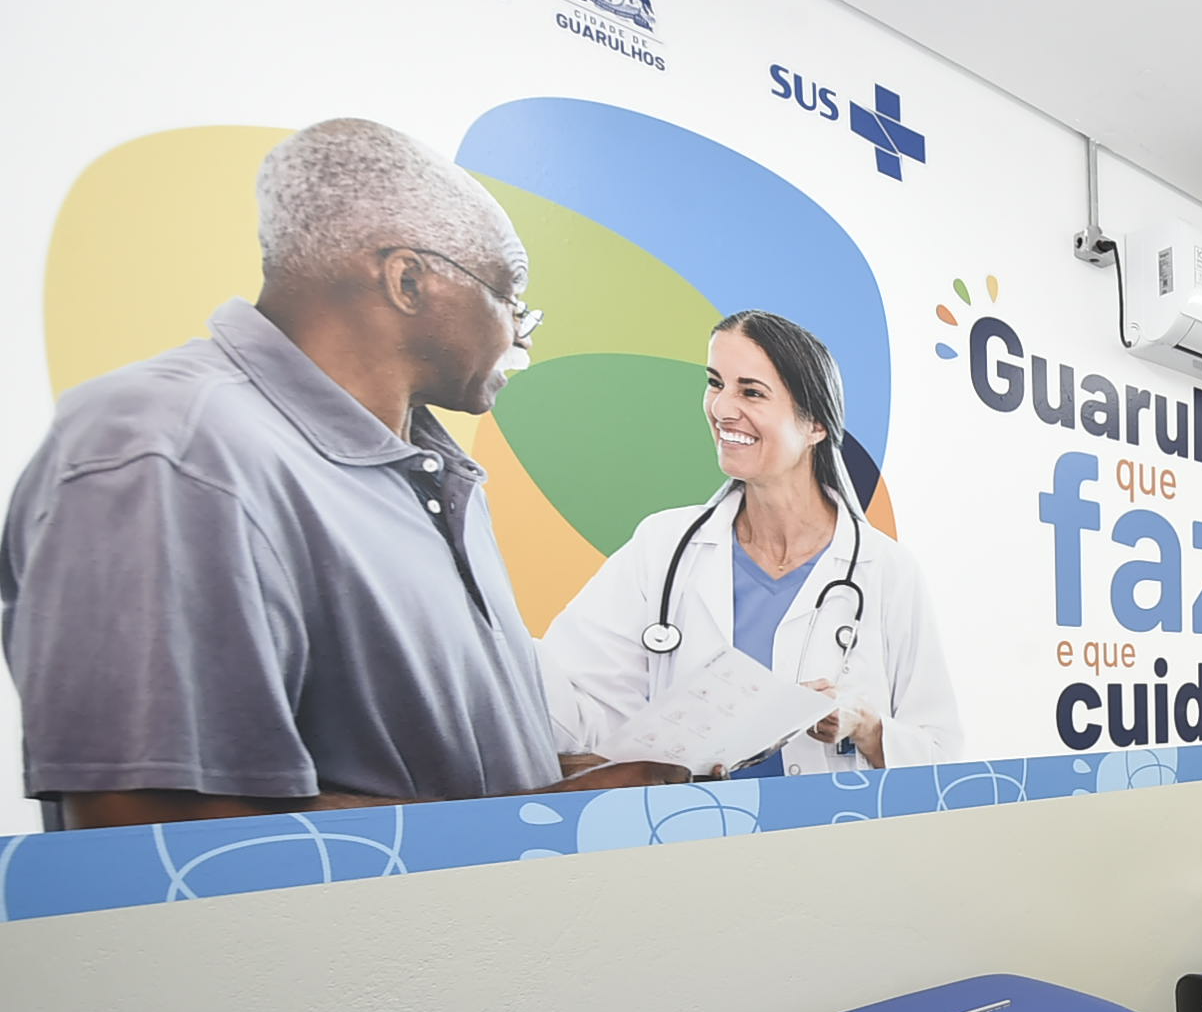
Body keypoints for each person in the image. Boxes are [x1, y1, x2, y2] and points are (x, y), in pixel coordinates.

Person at [0, 117, 685, 830]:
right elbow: (140, 825)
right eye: (510, 299)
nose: (520, 333)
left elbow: (413, 776)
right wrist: (528, 816)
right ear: (408, 280)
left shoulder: (430, 474)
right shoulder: (168, 450)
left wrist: (555, 779)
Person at [540, 310, 960, 774]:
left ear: (816, 424)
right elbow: (575, 703)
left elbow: (939, 755)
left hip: (832, 821)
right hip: (692, 820)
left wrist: (866, 725)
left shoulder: (885, 569)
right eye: (715, 383)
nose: (721, 408)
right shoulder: (662, 547)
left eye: (751, 392)